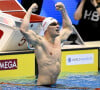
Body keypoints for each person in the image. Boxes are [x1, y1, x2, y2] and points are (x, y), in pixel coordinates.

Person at [20, 2, 73, 86]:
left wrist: (63, 10)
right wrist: (30, 10)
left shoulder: (58, 40)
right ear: (46, 28)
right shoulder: (39, 42)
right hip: (42, 87)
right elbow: (24, 30)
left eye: (57, 24)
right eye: (53, 24)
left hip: (54, 85)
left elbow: (69, 28)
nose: (57, 26)